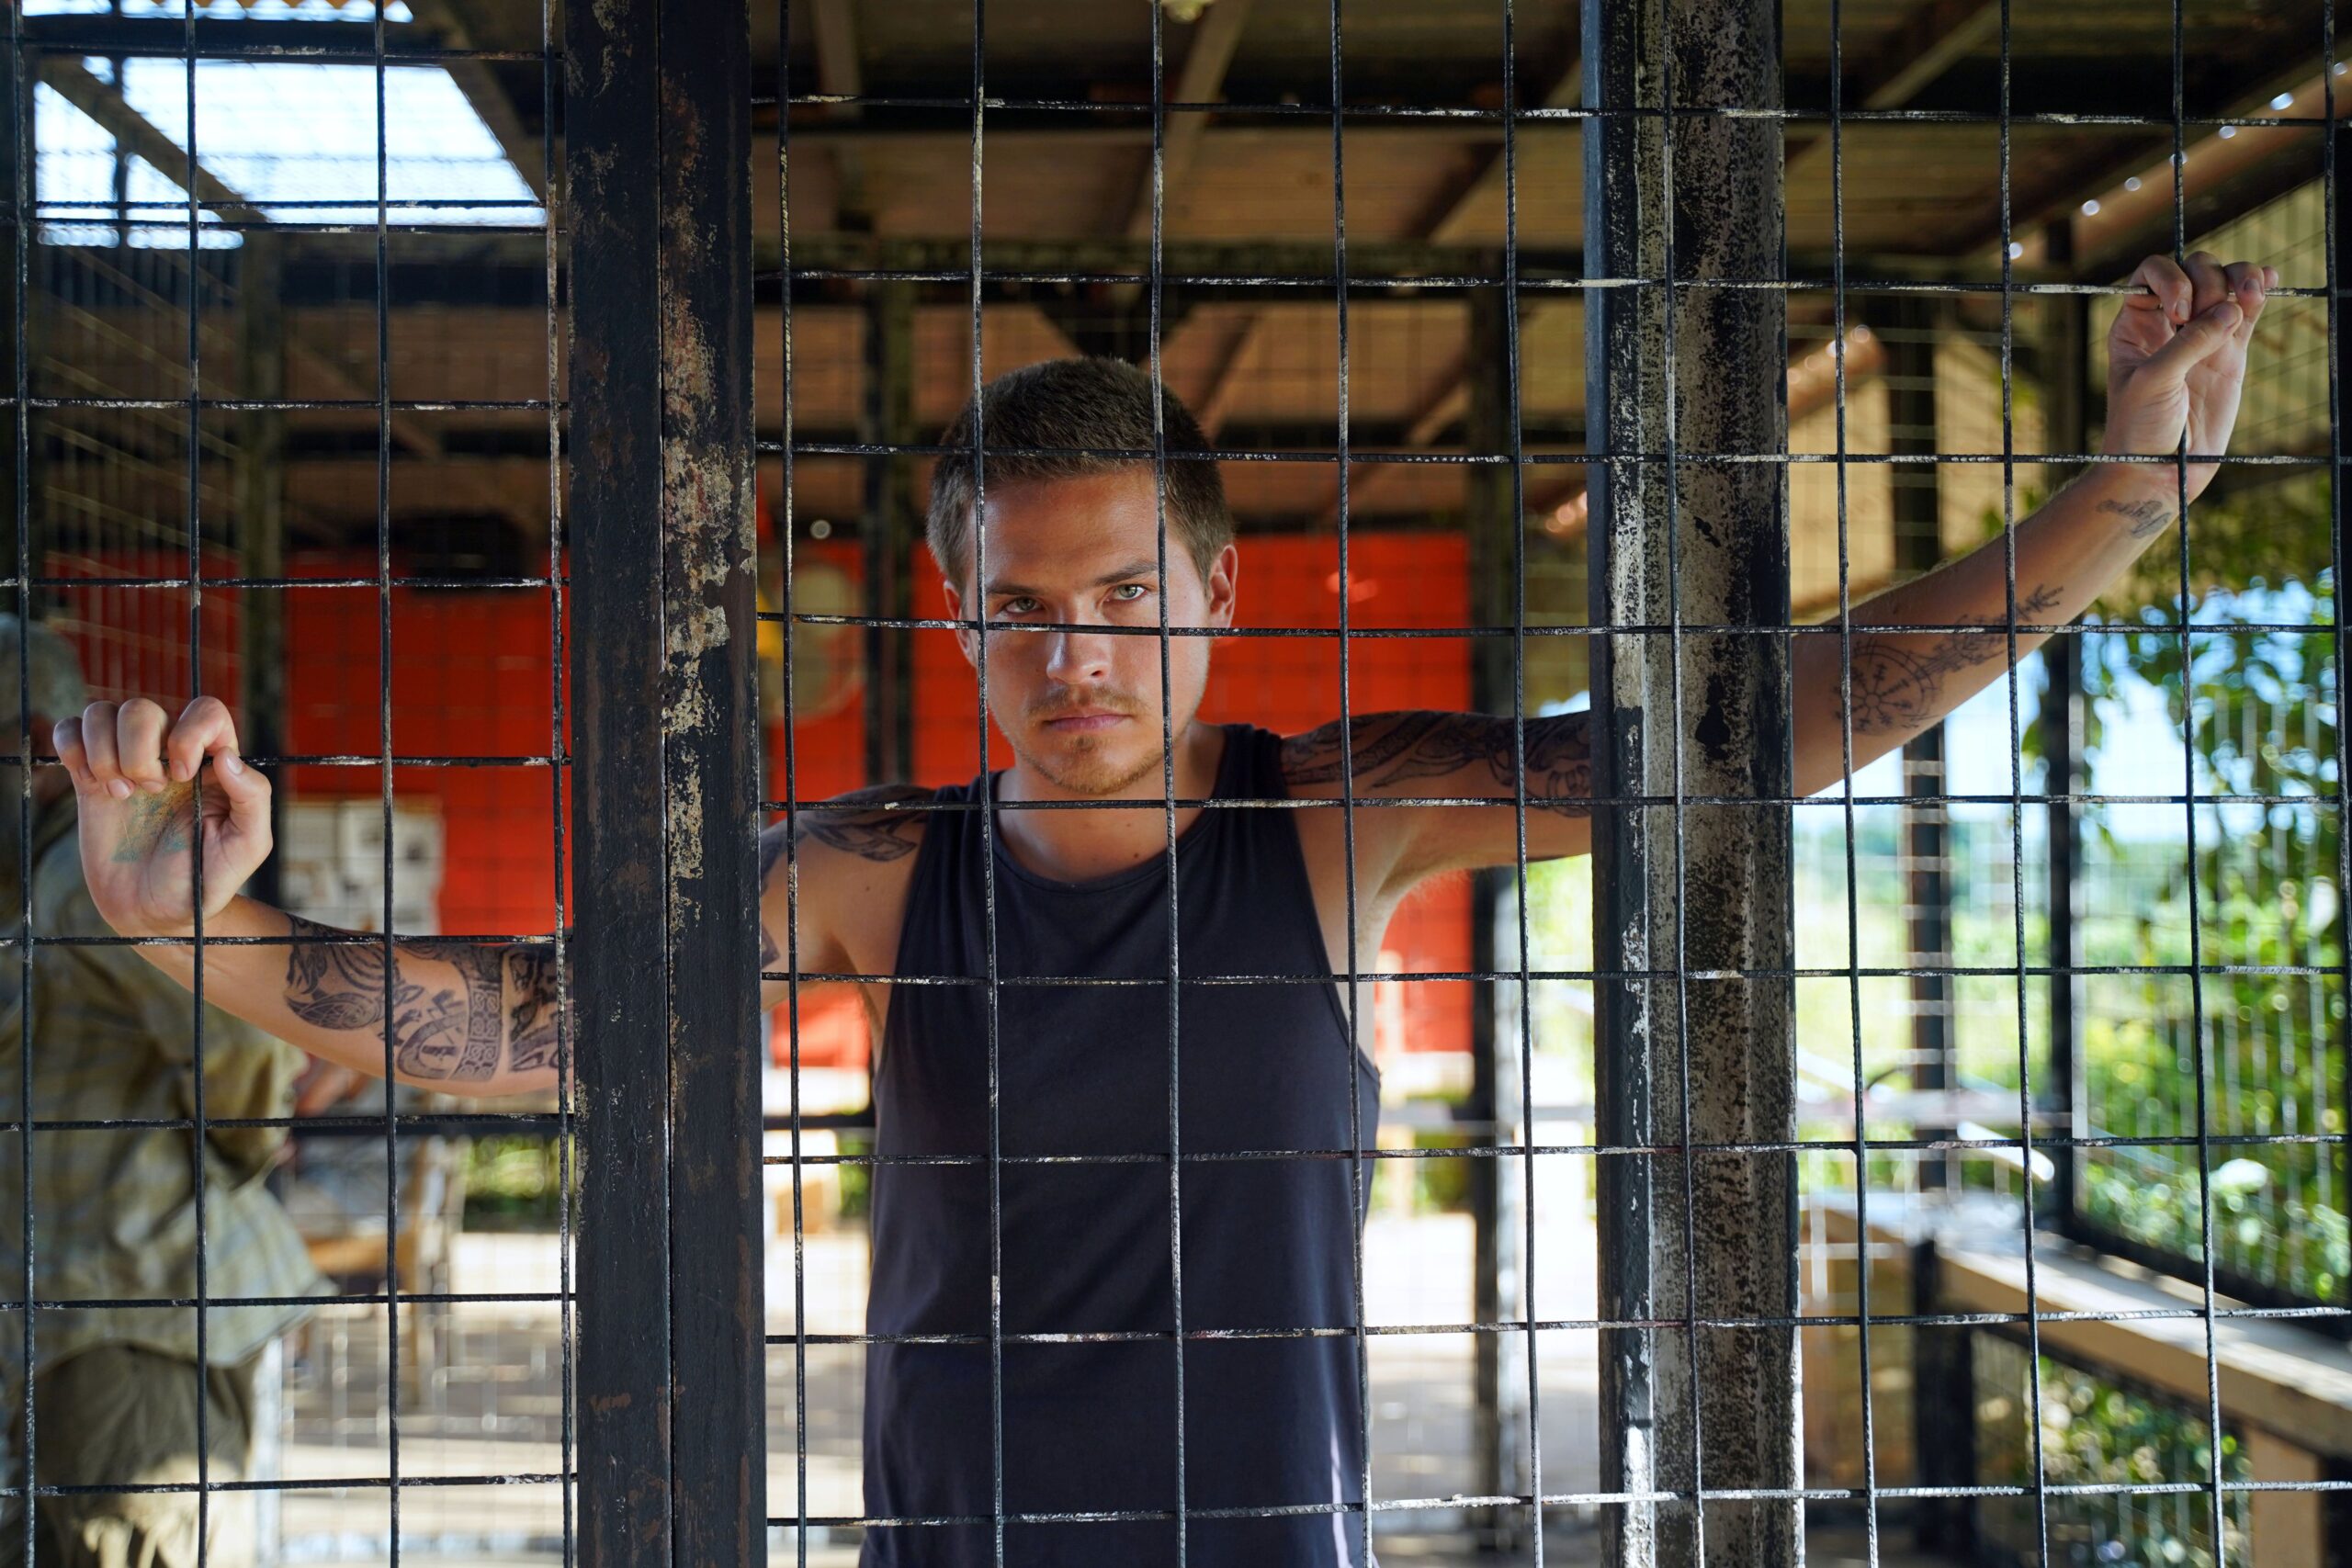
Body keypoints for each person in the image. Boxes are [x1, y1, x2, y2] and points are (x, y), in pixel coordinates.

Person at [48, 251, 2269, 1566]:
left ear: (1213, 589)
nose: (1076, 652)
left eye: (1124, 594)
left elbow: (1734, 732)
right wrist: (186, 927)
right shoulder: (877, 863)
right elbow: (542, 1018)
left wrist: (2119, 496)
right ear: (953, 614)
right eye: (1020, 605)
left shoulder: (1332, 816)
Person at [0, 618, 324, 1568]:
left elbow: (241, 1044)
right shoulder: (38, 888)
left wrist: (243, 1145)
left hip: (138, 1316)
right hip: (86, 1317)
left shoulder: (82, 881)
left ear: (34, 745)